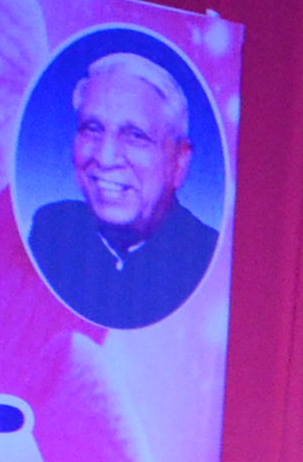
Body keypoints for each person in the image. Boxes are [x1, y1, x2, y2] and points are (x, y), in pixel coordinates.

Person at [27, 48, 218, 329]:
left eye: (135, 136)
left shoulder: (204, 257)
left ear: (178, 163)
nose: (105, 157)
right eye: (92, 129)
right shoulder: (53, 230)